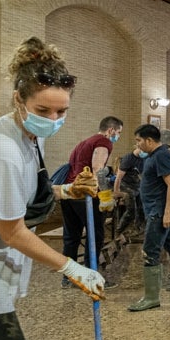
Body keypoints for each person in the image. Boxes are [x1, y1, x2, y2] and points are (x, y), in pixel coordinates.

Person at [0, 36, 105, 340]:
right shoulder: (0, 150)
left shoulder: (27, 136)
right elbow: (12, 231)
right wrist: (73, 268)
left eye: (62, 112)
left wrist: (69, 190)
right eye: (44, 111)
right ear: (18, 99)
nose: (54, 121)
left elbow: (26, 193)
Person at [128, 124, 170, 312]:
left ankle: (151, 297)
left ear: (149, 140)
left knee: (150, 251)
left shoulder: (162, 155)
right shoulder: (153, 156)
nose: (138, 144)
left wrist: (166, 213)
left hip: (159, 212)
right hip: (156, 210)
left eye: (139, 140)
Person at [61, 115, 123, 288]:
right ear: (110, 130)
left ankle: (68, 277)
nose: (117, 136)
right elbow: (98, 169)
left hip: (69, 192)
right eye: (118, 132)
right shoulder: (104, 142)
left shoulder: (83, 143)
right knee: (94, 235)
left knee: (71, 237)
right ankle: (91, 276)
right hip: (86, 196)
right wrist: (105, 196)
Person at [113, 145, 146, 235]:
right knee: (131, 211)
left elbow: (142, 175)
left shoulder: (144, 158)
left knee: (142, 209)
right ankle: (118, 232)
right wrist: (116, 192)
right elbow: (118, 178)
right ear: (138, 147)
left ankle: (138, 230)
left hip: (136, 185)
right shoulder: (128, 159)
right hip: (125, 185)